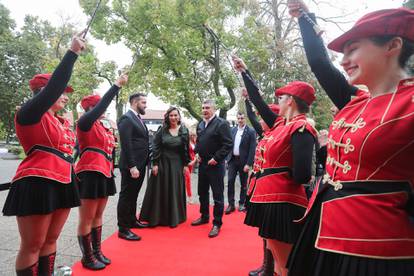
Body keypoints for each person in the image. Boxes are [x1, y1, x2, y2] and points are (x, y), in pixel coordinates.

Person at [287, 1, 414, 275]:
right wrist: (305, 18)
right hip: (324, 228)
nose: (343, 61)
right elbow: (321, 64)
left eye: (352, 49)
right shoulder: (354, 101)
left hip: (378, 248)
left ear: (393, 45)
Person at [2, 32, 86, 275]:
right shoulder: (29, 112)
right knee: (32, 244)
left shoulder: (58, 120)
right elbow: (54, 88)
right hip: (37, 181)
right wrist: (72, 54)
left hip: (64, 180)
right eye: (61, 92)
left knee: (51, 240)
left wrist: (68, 125)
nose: (65, 96)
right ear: (43, 91)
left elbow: (68, 148)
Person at [233, 56, 317, 276]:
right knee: (277, 259)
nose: (277, 101)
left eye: (281, 98)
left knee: (286, 264)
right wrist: (244, 72)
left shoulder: (300, 128)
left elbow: (302, 174)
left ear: (291, 100)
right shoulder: (281, 124)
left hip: (283, 200)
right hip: (269, 197)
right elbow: (258, 102)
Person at [75, 74, 128, 270]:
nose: (104, 111)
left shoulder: (101, 127)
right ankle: (87, 256)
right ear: (91, 109)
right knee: (87, 217)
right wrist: (116, 87)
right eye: (99, 107)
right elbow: (101, 105)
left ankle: (97, 251)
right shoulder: (85, 123)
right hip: (89, 173)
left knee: (98, 215)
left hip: (104, 172)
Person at [244, 92, 281, 276]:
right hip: (260, 185)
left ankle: (271, 267)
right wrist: (246, 100)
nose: (260, 122)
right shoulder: (266, 133)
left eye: (264, 118)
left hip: (272, 188)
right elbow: (251, 116)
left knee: (270, 230)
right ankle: (266, 265)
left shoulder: (277, 134)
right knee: (263, 230)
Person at [139, 107, 191, 227]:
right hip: (162, 163)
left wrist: (185, 165)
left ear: (179, 117)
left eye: (175, 115)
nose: (173, 118)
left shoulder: (184, 130)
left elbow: (185, 150)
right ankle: (158, 217)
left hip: (177, 164)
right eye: (171, 115)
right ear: (167, 117)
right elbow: (156, 146)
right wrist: (155, 164)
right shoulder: (162, 130)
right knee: (160, 189)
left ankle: (174, 217)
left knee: (174, 189)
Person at [191, 99, 233, 238]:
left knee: (217, 196)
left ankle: (217, 223)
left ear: (214, 109)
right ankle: (204, 216)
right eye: (203, 107)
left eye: (207, 107)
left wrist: (216, 158)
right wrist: (197, 153)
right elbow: (199, 142)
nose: (204, 110)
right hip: (202, 165)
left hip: (216, 165)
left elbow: (228, 144)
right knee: (202, 192)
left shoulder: (222, 124)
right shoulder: (201, 124)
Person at [117, 93, 149, 241]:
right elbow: (126, 144)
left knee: (134, 195)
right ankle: (123, 229)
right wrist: (132, 166)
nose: (145, 105)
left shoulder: (137, 118)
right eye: (143, 102)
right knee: (126, 196)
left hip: (140, 164)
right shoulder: (126, 118)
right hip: (132, 165)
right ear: (135, 102)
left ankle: (131, 221)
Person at [225, 112, 256, 214]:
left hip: (244, 162)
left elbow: (252, 149)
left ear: (245, 119)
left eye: (242, 118)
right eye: (238, 118)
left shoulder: (251, 131)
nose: (240, 120)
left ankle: (242, 203)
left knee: (243, 184)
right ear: (236, 119)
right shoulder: (232, 130)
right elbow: (229, 144)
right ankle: (231, 204)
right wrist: (226, 158)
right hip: (232, 160)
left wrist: (248, 164)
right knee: (230, 181)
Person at [185, 129, 197, 202]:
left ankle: (187, 196)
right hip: (187, 163)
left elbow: (196, 153)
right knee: (187, 179)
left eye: (193, 135)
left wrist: (194, 161)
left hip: (192, 163)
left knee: (187, 179)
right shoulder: (186, 142)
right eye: (191, 135)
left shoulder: (195, 142)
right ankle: (189, 197)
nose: (192, 136)